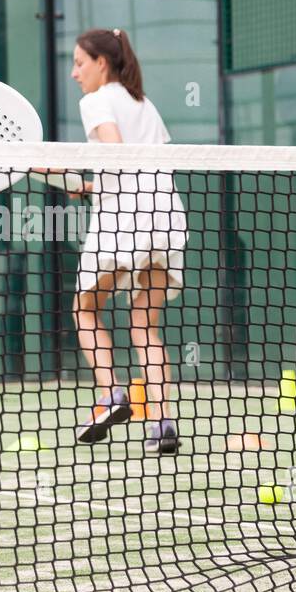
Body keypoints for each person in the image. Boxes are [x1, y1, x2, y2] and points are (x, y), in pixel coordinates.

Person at [66, 28, 188, 455]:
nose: (74, 73)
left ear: (102, 63)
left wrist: (93, 181)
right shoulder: (144, 103)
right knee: (144, 325)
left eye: (80, 62)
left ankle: (111, 393)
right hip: (166, 217)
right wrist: (89, 185)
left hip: (125, 219)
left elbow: (118, 157)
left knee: (84, 309)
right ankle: (161, 423)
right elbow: (144, 166)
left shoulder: (96, 100)